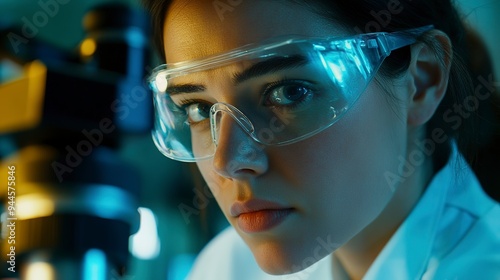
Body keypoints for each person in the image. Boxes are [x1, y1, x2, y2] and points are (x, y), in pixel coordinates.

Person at [142, 0, 500, 279]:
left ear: (421, 81)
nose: (227, 162)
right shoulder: (227, 268)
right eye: (199, 110)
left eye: (289, 92)